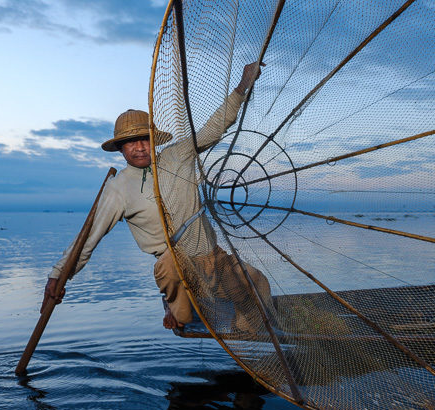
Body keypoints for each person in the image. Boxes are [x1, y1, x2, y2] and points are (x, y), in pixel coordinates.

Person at [43, 62, 271, 331]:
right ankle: (174, 304)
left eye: (144, 139)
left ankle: (244, 326)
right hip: (176, 266)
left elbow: (214, 128)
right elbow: (89, 237)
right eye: (130, 142)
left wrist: (243, 85)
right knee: (182, 314)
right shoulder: (119, 188)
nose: (139, 148)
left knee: (257, 284)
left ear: (154, 139)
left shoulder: (178, 156)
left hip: (213, 258)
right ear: (120, 149)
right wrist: (59, 275)